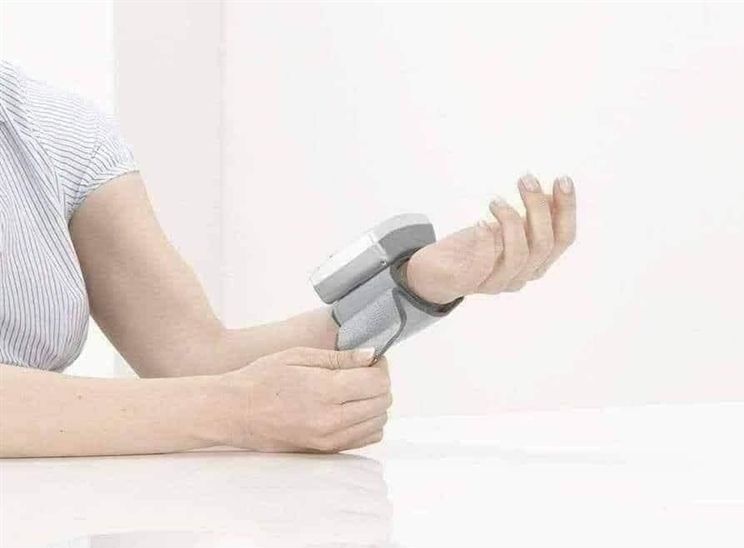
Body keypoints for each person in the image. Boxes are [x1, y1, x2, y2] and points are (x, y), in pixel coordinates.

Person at [0, 61, 576, 457]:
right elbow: (224, 394)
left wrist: (415, 286)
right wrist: (234, 410)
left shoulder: (60, 133)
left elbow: (195, 359)